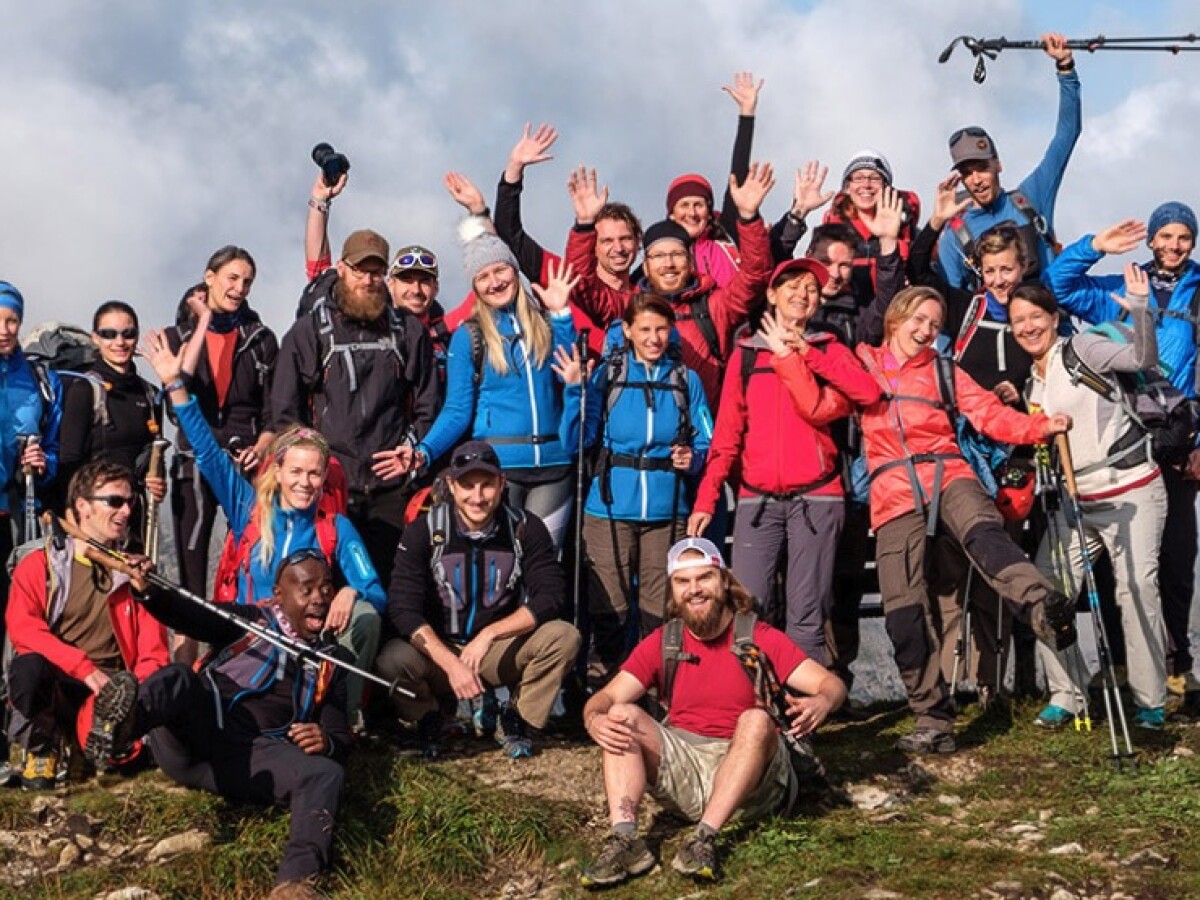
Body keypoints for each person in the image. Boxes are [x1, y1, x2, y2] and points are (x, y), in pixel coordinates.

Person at [855, 286, 1077, 752]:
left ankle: (1042, 608)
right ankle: (932, 718)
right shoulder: (863, 364)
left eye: (935, 325)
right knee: (903, 608)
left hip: (949, 472)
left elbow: (988, 414)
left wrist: (1039, 427)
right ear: (895, 318)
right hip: (892, 488)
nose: (925, 331)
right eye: (918, 320)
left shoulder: (943, 371)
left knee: (985, 536)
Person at [143, 326, 384, 732]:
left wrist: (351, 591)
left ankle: (343, 720)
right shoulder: (249, 509)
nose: (305, 482)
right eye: (296, 472)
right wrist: (174, 384)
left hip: (304, 646)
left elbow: (375, 591)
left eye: (314, 474)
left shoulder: (334, 527)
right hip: (248, 635)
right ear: (278, 472)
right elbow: (206, 450)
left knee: (366, 617)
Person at [578, 537, 845, 887]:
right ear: (673, 592)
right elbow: (605, 698)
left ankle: (704, 838)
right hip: (685, 767)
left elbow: (831, 685)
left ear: (723, 580)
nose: (694, 590)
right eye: (683, 582)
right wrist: (593, 718)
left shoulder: (759, 636)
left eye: (704, 578)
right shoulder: (664, 641)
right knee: (620, 715)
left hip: (753, 781)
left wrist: (822, 702)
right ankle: (626, 839)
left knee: (755, 718)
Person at [116, 551, 353, 899]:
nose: (319, 599)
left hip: (250, 757)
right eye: (307, 590)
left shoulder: (333, 662)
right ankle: (123, 726)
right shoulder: (247, 621)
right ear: (278, 595)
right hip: (195, 735)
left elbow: (340, 736)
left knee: (325, 773)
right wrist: (148, 590)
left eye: (326, 589)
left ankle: (295, 883)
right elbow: (189, 615)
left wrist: (327, 741)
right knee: (179, 679)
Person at [689, 258, 880, 664]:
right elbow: (726, 438)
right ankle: (757, 707)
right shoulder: (745, 356)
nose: (803, 294)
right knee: (747, 608)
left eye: (812, 288)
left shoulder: (828, 347)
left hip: (818, 497)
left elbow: (868, 392)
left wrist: (805, 352)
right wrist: (707, 498)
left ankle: (801, 714)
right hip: (757, 499)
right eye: (792, 285)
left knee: (807, 613)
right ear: (772, 295)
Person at [1046, 208, 1200, 710]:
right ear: (1151, 239)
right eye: (1165, 236)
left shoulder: (1198, 292)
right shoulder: (1117, 287)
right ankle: (1119, 666)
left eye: (1184, 237)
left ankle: (1177, 668)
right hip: (1124, 438)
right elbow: (1058, 285)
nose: (1174, 246)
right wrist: (1095, 245)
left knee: (1174, 558)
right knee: (1116, 565)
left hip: (1179, 440)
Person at [1009, 275, 1169, 730]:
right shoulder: (1030, 382)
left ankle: (1150, 702)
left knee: (1136, 590)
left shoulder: (1082, 350)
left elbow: (1142, 357)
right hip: (1074, 502)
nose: (1027, 327)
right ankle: (1068, 692)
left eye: (1035, 317)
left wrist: (1140, 307)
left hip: (1131, 489)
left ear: (1054, 318)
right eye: (1018, 321)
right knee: (1044, 593)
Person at [376, 441, 581, 758]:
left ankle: (516, 719)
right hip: (440, 652)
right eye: (467, 486)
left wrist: (489, 635)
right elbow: (404, 609)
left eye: (486, 485)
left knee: (564, 637)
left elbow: (550, 596)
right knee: (391, 658)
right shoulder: (424, 531)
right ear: (451, 486)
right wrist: (451, 663)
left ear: (501, 483)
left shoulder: (524, 528)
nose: (478, 496)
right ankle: (432, 716)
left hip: (496, 650)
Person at [553, 294, 714, 687]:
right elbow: (575, 439)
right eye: (644, 329)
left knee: (659, 609)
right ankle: (602, 692)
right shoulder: (607, 375)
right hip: (608, 508)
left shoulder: (684, 379)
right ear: (627, 331)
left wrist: (691, 459)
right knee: (611, 607)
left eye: (661, 329)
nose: (654, 337)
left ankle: (660, 692)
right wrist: (576, 390)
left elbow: (708, 441)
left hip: (667, 510)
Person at [272, 228, 438, 586]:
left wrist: (412, 448)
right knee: (323, 584)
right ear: (342, 269)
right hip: (328, 486)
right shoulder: (309, 331)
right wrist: (310, 464)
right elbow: (285, 412)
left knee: (390, 585)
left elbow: (428, 405)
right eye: (360, 270)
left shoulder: (408, 332)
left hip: (390, 487)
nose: (368, 280)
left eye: (376, 272)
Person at [402, 226, 579, 550]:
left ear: (515, 270)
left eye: (501, 270)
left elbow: (568, 375)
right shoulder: (468, 336)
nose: (495, 282)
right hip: (498, 470)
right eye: (484, 276)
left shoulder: (545, 322)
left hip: (555, 467)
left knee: (543, 564)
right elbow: (457, 410)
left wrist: (561, 314)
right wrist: (424, 452)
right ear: (475, 287)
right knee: (502, 566)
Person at [6, 461, 169, 789]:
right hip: (60, 683)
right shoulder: (41, 564)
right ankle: (43, 748)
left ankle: (92, 748)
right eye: (114, 502)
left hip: (111, 692)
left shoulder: (136, 575)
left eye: (130, 502)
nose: (125, 511)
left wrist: (130, 697)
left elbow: (154, 655)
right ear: (82, 506)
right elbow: (23, 628)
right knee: (28, 668)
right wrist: (82, 668)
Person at [163, 248, 278, 608]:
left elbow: (275, 409)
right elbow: (175, 398)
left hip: (246, 462)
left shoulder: (261, 340)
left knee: (248, 561)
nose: (240, 288)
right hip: (193, 459)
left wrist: (260, 448)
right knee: (191, 580)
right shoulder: (175, 335)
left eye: (247, 281)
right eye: (232, 278)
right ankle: (188, 659)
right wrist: (203, 321)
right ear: (209, 277)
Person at [936, 33, 1082, 290]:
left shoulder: (1031, 197)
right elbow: (950, 305)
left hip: (1049, 323)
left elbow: (1066, 136)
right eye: (967, 173)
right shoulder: (954, 236)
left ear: (998, 165)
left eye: (982, 168)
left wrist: (1065, 68)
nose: (976, 180)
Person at [635, 163, 776, 410]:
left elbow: (755, 276)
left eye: (698, 204)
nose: (668, 264)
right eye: (659, 257)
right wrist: (584, 224)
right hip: (650, 433)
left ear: (690, 262)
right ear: (646, 265)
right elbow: (592, 292)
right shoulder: (633, 304)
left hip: (707, 422)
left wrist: (749, 217)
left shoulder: (713, 304)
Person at [306, 168, 453, 388]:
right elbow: (320, 271)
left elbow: (495, 274)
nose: (416, 289)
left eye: (424, 281)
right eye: (407, 280)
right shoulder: (370, 322)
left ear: (436, 288)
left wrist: (478, 210)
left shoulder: (449, 332)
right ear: (390, 284)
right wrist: (319, 201)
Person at [0, 280, 61, 776]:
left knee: (19, 626)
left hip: (20, 513)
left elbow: (57, 445)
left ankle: (21, 738)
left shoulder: (40, 378)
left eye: (11, 320)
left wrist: (45, 461)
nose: (4, 329)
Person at [56, 301, 165, 534]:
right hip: (91, 518)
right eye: (108, 334)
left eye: (128, 334)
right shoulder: (84, 390)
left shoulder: (150, 395)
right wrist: (71, 520)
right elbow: (69, 461)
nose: (119, 342)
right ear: (95, 338)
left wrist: (158, 482)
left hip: (132, 513)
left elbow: (155, 453)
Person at [665, 72, 765, 288]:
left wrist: (746, 115)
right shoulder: (661, 252)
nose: (692, 213)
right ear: (671, 214)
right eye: (684, 205)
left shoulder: (727, 235)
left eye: (699, 205)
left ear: (709, 211)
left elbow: (737, 176)